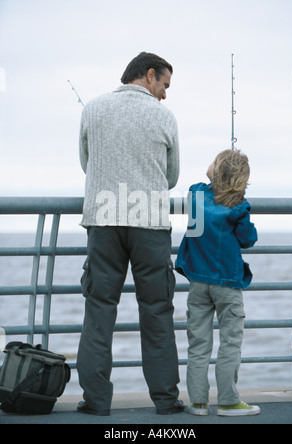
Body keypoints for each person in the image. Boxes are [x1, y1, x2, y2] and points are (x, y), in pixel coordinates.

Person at [77, 52, 184, 416]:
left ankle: (95, 402)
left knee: (99, 310)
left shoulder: (92, 108)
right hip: (150, 224)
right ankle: (166, 402)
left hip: (103, 220)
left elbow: (85, 162)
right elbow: (171, 177)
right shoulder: (164, 116)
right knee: (156, 311)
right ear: (149, 75)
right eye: (164, 85)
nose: (165, 94)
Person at [176, 149, 261, 417]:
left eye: (213, 161)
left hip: (198, 282)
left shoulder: (196, 194)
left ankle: (198, 403)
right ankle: (227, 401)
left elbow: (201, 184)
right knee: (230, 343)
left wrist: (216, 172)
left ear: (217, 171)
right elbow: (248, 239)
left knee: (198, 344)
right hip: (227, 282)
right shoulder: (239, 206)